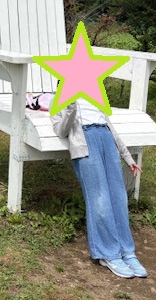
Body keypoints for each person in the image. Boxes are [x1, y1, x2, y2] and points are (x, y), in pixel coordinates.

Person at [51, 98, 148, 279]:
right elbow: (61, 131)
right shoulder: (59, 99)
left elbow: (111, 130)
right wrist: (70, 106)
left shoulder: (93, 97)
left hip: (107, 142)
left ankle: (127, 252)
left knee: (119, 198)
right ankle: (109, 254)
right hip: (86, 145)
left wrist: (128, 158)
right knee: (100, 200)